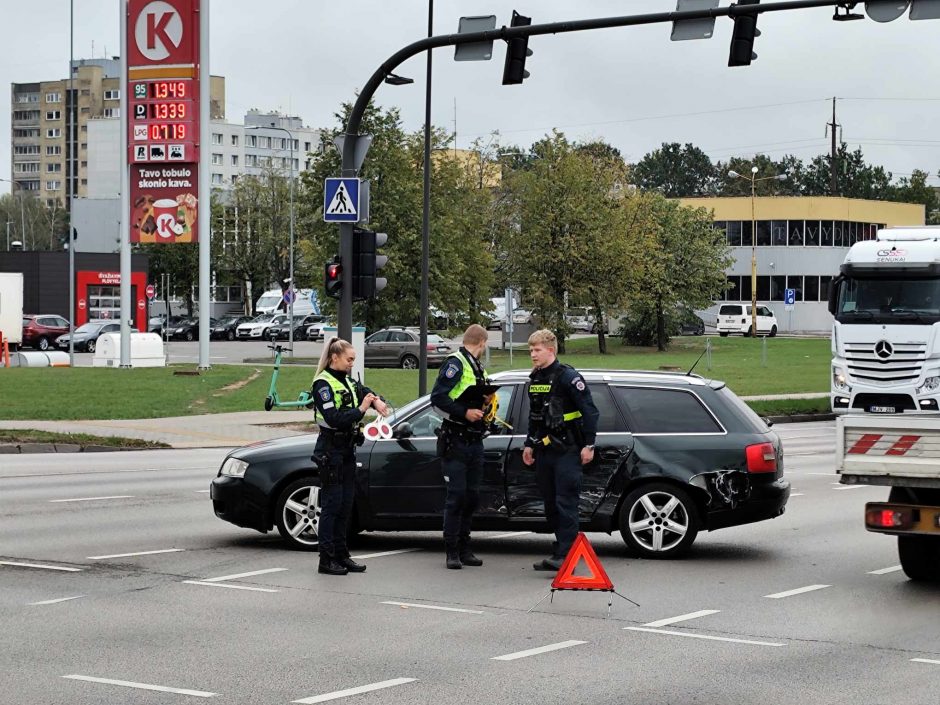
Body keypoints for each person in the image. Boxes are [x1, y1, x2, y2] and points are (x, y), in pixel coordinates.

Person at [522, 329, 600, 572]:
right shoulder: (535, 378)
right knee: (550, 504)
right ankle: (560, 550)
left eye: (537, 350)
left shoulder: (568, 377)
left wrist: (589, 444)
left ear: (551, 350)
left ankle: (567, 556)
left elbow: (590, 411)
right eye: (531, 350)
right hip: (545, 450)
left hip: (567, 449)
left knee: (566, 502)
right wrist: (529, 444)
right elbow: (535, 416)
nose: (533, 354)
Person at [311, 337, 389, 576]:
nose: (351, 364)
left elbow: (364, 391)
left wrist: (376, 401)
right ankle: (326, 559)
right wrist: (363, 409)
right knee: (332, 506)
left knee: (346, 506)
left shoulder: (346, 380)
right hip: (330, 449)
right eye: (349, 359)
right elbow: (334, 418)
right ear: (335, 358)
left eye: (353, 359)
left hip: (346, 449)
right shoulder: (322, 384)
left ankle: (342, 555)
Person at [430, 324, 493, 570]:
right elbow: (439, 397)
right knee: (456, 497)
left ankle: (466, 548)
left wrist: (485, 401)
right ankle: (452, 550)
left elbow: (468, 394)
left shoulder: (476, 366)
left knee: (471, 497)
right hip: (455, 440)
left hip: (475, 440)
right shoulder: (455, 363)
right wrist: (465, 412)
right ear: (482, 342)